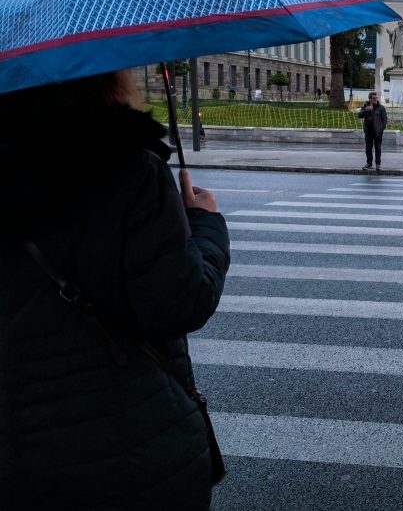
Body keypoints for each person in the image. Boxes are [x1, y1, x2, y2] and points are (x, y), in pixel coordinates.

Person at [0, 70, 231, 509]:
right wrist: (204, 222)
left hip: (16, 448)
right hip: (128, 443)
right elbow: (179, 301)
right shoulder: (128, 166)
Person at [358, 91, 388, 171]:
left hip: (377, 131)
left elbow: (384, 119)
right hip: (368, 131)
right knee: (368, 148)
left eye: (376, 98)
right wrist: (366, 110)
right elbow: (359, 115)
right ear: (370, 99)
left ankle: (378, 164)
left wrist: (381, 129)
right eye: (374, 98)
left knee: (378, 148)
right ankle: (369, 163)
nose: (375, 99)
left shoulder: (381, 108)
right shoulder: (366, 106)